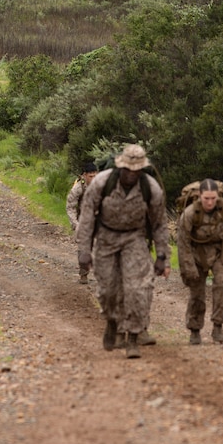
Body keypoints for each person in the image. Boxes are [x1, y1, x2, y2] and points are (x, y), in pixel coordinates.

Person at [76, 144, 169, 359]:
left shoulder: (150, 187)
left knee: (137, 288)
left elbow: (159, 224)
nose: (131, 174)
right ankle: (112, 321)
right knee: (108, 289)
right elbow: (87, 216)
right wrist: (84, 250)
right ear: (121, 167)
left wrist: (162, 256)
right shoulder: (102, 182)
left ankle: (133, 338)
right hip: (106, 237)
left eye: (136, 170)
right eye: (128, 170)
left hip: (134, 238)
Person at [176, 178, 223, 345]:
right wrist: (188, 269)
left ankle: (218, 326)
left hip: (221, 252)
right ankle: (194, 330)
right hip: (197, 253)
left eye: (213, 198)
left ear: (218, 196)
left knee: (222, 286)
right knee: (197, 293)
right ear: (200, 196)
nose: (210, 202)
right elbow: (183, 244)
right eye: (206, 198)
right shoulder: (189, 214)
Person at [66, 161, 98, 283]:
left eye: (95, 175)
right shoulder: (78, 188)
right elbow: (70, 207)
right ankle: (84, 274)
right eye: (91, 176)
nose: (93, 179)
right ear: (84, 175)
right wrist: (75, 224)